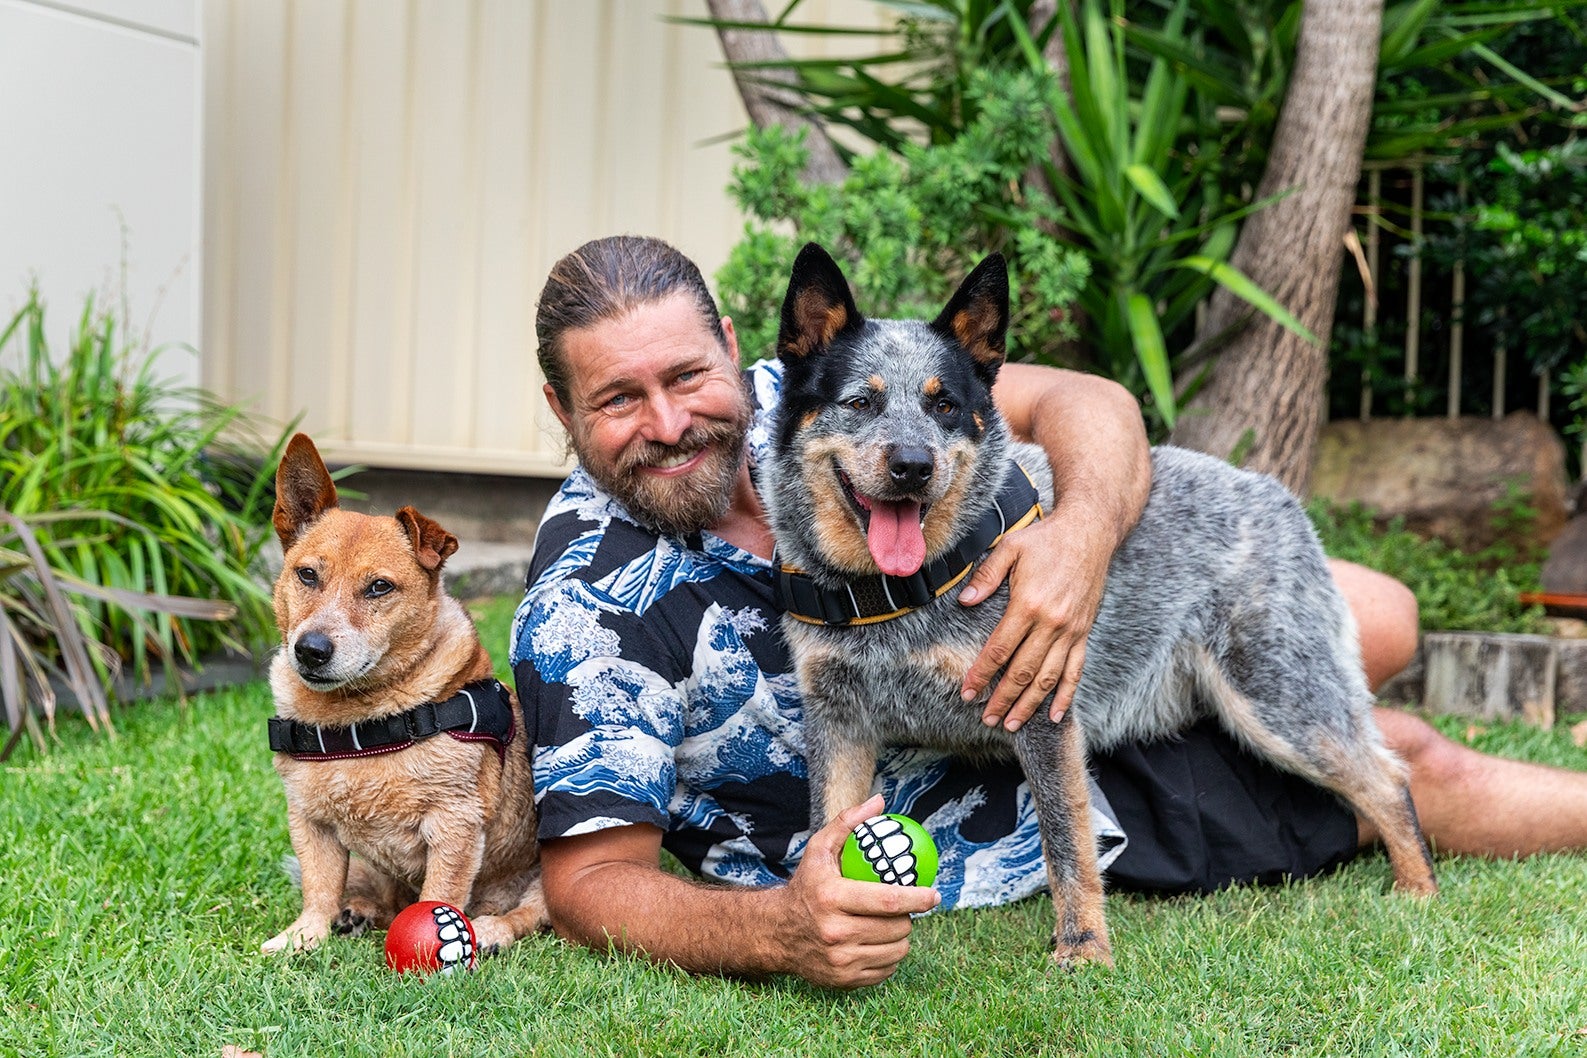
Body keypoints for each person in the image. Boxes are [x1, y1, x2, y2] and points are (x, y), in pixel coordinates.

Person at [511, 234, 1587, 990]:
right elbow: (592, 882)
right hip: (988, 801)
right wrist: (781, 930)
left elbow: (1089, 403)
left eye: (686, 374)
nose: (668, 419)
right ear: (561, 408)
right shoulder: (582, 608)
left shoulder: (825, 374)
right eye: (615, 399)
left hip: (1066, 639)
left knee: (1378, 619)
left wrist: (1076, 544)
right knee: (1406, 752)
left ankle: (1240, 676)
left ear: (741, 344)